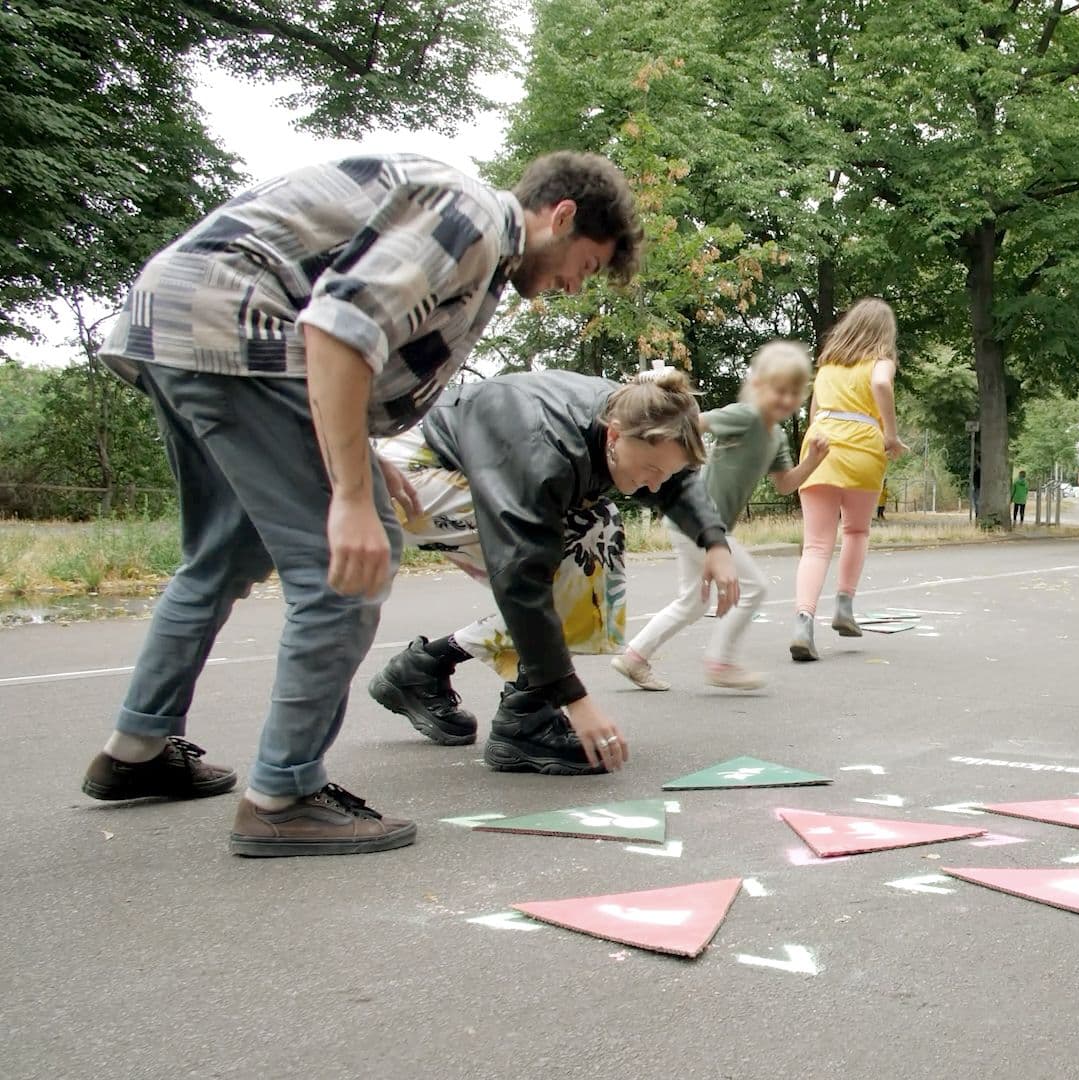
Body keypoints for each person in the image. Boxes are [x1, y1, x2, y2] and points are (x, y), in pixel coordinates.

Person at [79, 151, 638, 857]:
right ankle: (284, 796)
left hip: (184, 326)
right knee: (347, 564)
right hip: (242, 334)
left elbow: (335, 315)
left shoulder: (473, 238)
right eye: (585, 265)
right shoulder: (472, 219)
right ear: (561, 217)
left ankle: (136, 747)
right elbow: (340, 324)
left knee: (224, 556)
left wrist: (359, 452)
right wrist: (349, 494)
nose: (572, 285)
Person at [371, 368, 735, 774]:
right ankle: (527, 720)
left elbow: (675, 478)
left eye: (663, 474)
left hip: (468, 466)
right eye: (650, 469)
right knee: (582, 542)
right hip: (407, 476)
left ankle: (426, 668)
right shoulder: (542, 451)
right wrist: (572, 697)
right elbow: (521, 576)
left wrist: (714, 542)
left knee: (595, 540)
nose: (653, 485)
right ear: (614, 436)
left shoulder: (641, 415)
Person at [614, 343, 829, 693]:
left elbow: (785, 484)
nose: (786, 398)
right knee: (754, 587)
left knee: (693, 603)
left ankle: (634, 657)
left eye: (794, 392)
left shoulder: (775, 437)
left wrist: (813, 461)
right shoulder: (745, 416)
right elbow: (694, 424)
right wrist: (676, 463)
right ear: (757, 386)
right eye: (778, 390)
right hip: (697, 522)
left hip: (703, 529)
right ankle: (721, 662)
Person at [790, 298, 908, 661]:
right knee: (856, 531)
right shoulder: (880, 360)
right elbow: (881, 385)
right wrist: (891, 435)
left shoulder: (828, 365)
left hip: (821, 446)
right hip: (862, 448)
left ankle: (803, 623)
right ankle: (844, 605)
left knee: (815, 545)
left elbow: (813, 414)